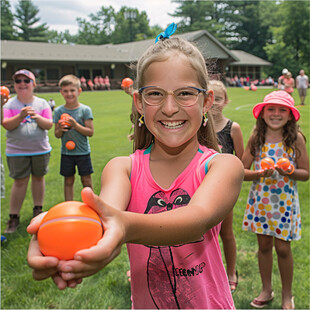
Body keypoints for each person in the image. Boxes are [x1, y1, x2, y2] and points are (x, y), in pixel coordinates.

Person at [27, 29, 244, 309]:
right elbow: (104, 220)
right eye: (155, 94)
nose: (169, 108)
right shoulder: (123, 169)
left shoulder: (223, 166)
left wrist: (123, 225)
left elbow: (196, 220)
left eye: (185, 94)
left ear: (206, 102)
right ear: (139, 103)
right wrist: (56, 233)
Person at [241, 91, 309, 309]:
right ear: (262, 113)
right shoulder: (256, 138)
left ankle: (287, 295)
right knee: (263, 246)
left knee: (282, 248)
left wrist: (289, 171)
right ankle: (266, 289)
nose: (276, 114)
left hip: (284, 203)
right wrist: (259, 174)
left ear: (290, 115)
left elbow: (306, 173)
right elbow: (241, 170)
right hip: (261, 201)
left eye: (282, 110)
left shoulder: (295, 138)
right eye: (271, 109)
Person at [2, 69, 53, 233]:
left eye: (26, 81)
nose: (22, 84)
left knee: (38, 179)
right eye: (18, 81)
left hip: (40, 150)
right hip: (17, 151)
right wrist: (20, 115)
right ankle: (13, 217)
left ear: (33, 84)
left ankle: (38, 210)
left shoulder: (42, 103)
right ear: (14, 85)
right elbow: (6, 124)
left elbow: (49, 124)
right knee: (20, 182)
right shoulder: (9, 104)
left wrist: (36, 116)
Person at [209, 80, 244, 293]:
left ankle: (231, 271)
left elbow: (240, 162)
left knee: (226, 233)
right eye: (210, 98)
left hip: (224, 189)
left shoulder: (233, 128)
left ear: (225, 101)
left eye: (218, 99)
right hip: (201, 186)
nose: (214, 104)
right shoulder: (198, 125)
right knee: (202, 233)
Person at [53, 74, 94, 201]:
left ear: (79, 91)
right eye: (65, 91)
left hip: (83, 152)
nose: (69, 94)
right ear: (61, 92)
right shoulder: (59, 111)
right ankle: (69, 206)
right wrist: (60, 128)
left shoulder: (85, 110)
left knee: (86, 180)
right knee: (68, 180)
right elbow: (57, 135)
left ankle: (92, 205)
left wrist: (75, 125)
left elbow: (90, 132)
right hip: (67, 153)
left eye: (72, 90)